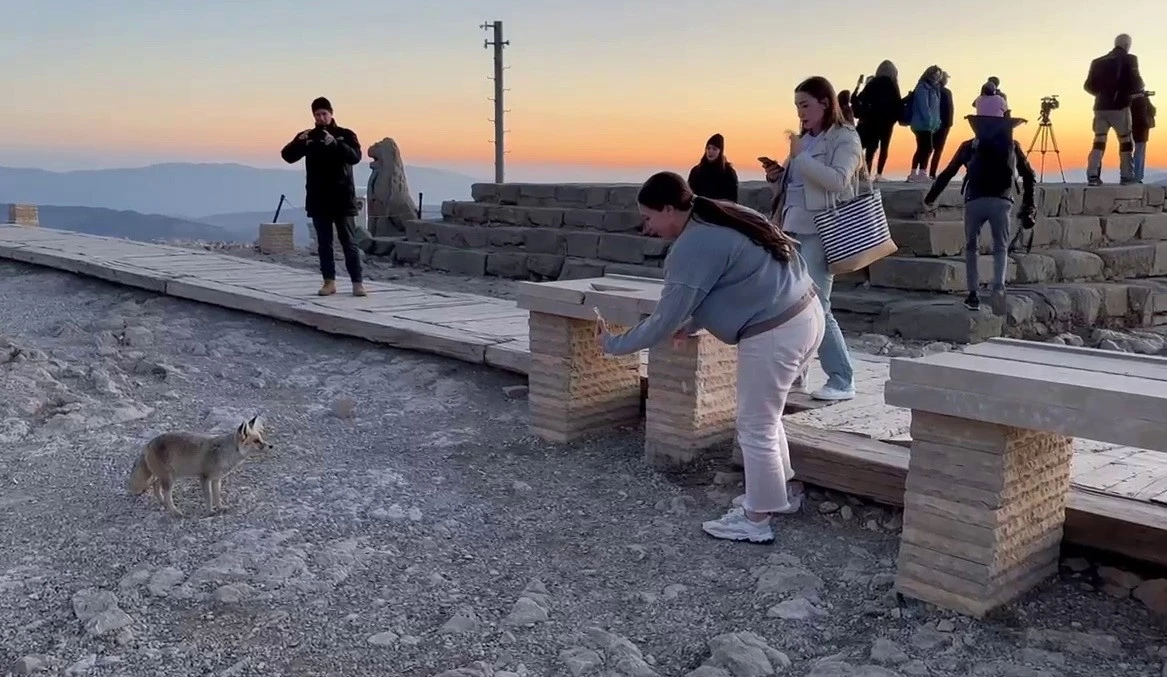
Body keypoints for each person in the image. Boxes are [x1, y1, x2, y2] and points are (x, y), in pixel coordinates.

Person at [595, 171, 824, 543]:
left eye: (649, 217)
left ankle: (755, 519)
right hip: (803, 315)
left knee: (755, 426)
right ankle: (776, 496)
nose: (647, 226)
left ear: (669, 209)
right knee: (765, 418)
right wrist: (694, 324)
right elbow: (733, 282)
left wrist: (613, 344)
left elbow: (663, 320)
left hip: (775, 331)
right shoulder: (721, 213)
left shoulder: (693, 244)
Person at [764, 75, 862, 401]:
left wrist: (801, 158)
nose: (800, 113)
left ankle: (842, 378)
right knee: (790, 305)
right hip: (791, 230)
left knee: (817, 305)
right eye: (796, 106)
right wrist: (777, 177)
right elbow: (795, 187)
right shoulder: (805, 141)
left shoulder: (844, 138)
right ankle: (797, 374)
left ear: (825, 103)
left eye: (805, 105)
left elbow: (838, 180)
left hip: (822, 231)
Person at [922, 115, 1037, 314]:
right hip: (1002, 201)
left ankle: (973, 295)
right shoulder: (1012, 146)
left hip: (975, 200)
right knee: (1000, 247)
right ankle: (998, 288)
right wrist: (1029, 204)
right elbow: (1028, 175)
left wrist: (931, 197)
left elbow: (949, 172)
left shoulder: (970, 145)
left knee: (971, 247)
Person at [280, 97, 367, 296]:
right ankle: (329, 282)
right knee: (324, 244)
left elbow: (355, 157)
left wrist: (336, 144)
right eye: (317, 114)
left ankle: (357, 283)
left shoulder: (345, 134)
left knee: (348, 242)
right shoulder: (308, 136)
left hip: (342, 198)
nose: (321, 117)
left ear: (331, 113)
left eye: (324, 114)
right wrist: (298, 142)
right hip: (318, 198)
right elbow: (287, 156)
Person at [1084, 33, 1145, 185]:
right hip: (1120, 107)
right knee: (1125, 141)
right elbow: (1137, 83)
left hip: (1100, 107)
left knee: (1099, 141)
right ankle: (1126, 175)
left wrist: (1102, 94)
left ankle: (1092, 176)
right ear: (1127, 45)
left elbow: (1088, 86)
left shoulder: (1097, 61)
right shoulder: (1130, 59)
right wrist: (1127, 93)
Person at [852, 60, 903, 181]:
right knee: (884, 148)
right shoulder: (892, 85)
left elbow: (861, 98)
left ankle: (864, 172)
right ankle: (878, 174)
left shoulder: (872, 83)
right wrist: (895, 118)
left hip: (871, 120)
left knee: (870, 146)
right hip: (887, 122)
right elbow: (898, 104)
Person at [904, 66, 944, 182]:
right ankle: (920, 172)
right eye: (934, 74)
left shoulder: (934, 89)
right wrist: (929, 120)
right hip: (922, 124)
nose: (936, 77)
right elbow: (923, 106)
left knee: (922, 148)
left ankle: (915, 173)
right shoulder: (922, 88)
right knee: (927, 148)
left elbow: (935, 108)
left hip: (928, 124)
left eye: (938, 75)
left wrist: (937, 122)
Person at [687, 134, 740, 202]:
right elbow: (689, 194)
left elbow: (732, 199)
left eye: (714, 149)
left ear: (720, 151)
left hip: (719, 208)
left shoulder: (728, 172)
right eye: (708, 148)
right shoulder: (696, 171)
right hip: (698, 207)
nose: (710, 151)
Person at [929, 71, 955, 179]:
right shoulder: (946, 92)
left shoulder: (931, 90)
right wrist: (949, 124)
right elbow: (949, 109)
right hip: (944, 124)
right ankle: (932, 173)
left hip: (931, 123)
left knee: (928, 148)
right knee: (938, 150)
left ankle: (922, 171)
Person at [1132, 90, 1156, 182]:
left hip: (1129, 128)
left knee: (1127, 152)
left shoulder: (1128, 99)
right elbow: (1153, 110)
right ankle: (1137, 177)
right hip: (1142, 129)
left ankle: (1129, 175)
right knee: (1140, 153)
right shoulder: (1143, 100)